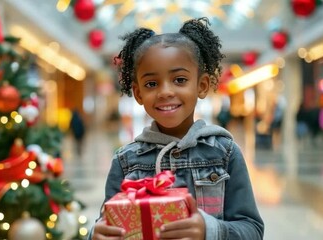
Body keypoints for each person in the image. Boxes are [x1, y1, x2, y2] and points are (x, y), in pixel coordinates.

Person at [89, 17, 264, 240]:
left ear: (202, 86)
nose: (165, 92)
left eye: (179, 80)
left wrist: (208, 230)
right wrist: (97, 233)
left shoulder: (225, 153)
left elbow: (252, 230)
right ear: (138, 93)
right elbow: (107, 221)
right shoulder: (125, 161)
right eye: (152, 84)